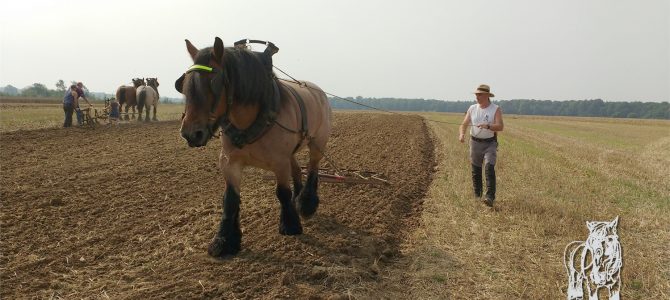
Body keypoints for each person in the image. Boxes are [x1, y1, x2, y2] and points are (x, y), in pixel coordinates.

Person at [459, 84, 504, 207]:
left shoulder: (495, 109)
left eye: (479, 94)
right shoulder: (472, 108)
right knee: (476, 170)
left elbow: (500, 126)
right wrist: (462, 134)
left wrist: (488, 126)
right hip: (475, 143)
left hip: (490, 143)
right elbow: (464, 124)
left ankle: (490, 197)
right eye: (476, 94)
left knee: (489, 168)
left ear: (487, 96)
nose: (477, 96)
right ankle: (478, 195)